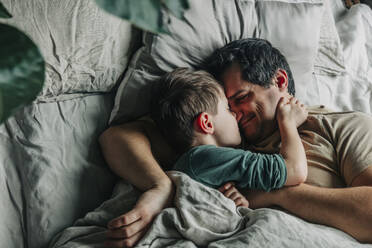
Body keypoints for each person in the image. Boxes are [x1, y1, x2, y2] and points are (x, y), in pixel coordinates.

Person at [99, 38, 372, 247]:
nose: (235, 114)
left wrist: (275, 194)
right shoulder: (220, 140)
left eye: (241, 98)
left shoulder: (340, 125)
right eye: (227, 106)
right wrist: (160, 186)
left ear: (279, 81)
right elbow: (117, 136)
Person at [151, 67, 307, 193]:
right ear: (206, 123)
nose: (235, 115)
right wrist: (288, 122)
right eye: (227, 108)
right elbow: (294, 170)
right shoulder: (205, 157)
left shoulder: (196, 162)